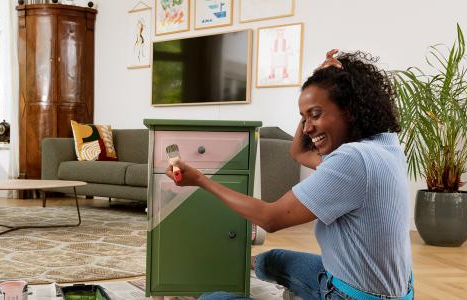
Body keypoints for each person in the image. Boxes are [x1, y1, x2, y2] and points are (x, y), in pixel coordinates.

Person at [166, 49, 413, 300]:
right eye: (303, 117)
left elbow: (270, 219)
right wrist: (322, 90)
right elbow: (298, 153)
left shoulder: (352, 160)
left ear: (349, 108)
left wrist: (200, 180)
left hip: (351, 296)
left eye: (315, 114)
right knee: (271, 260)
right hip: (368, 286)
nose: (306, 127)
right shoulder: (384, 144)